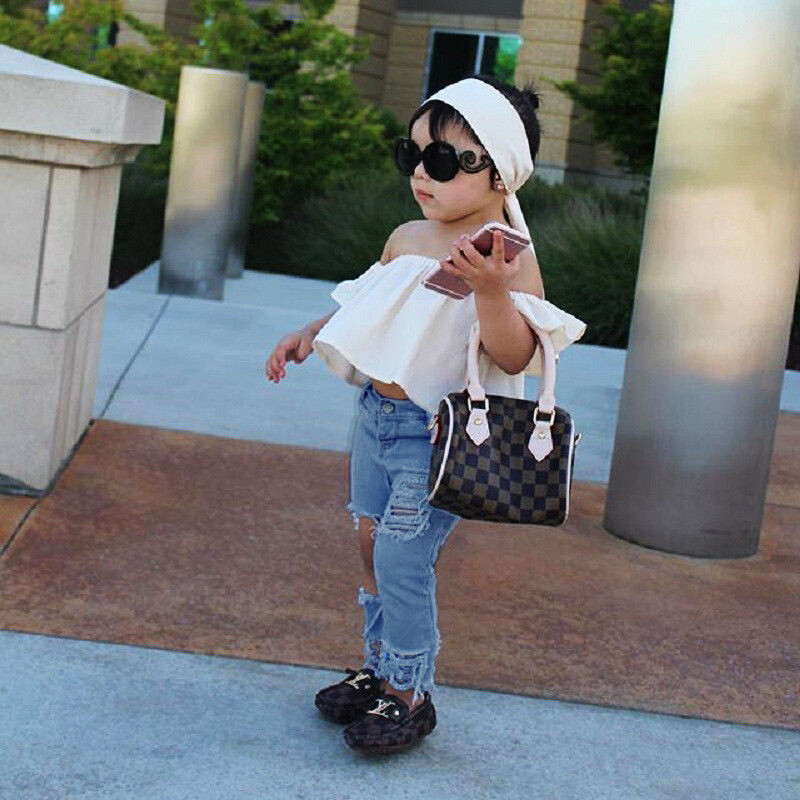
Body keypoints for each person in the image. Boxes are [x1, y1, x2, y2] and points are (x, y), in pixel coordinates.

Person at [264, 74, 587, 755]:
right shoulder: (408, 235)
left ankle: (410, 692)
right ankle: (379, 668)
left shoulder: (506, 258)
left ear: (500, 172)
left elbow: (516, 354)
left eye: (441, 161)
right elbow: (367, 305)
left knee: (401, 555)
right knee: (369, 544)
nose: (420, 173)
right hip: (375, 417)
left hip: (436, 435)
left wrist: (491, 291)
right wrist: (310, 333)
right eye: (410, 155)